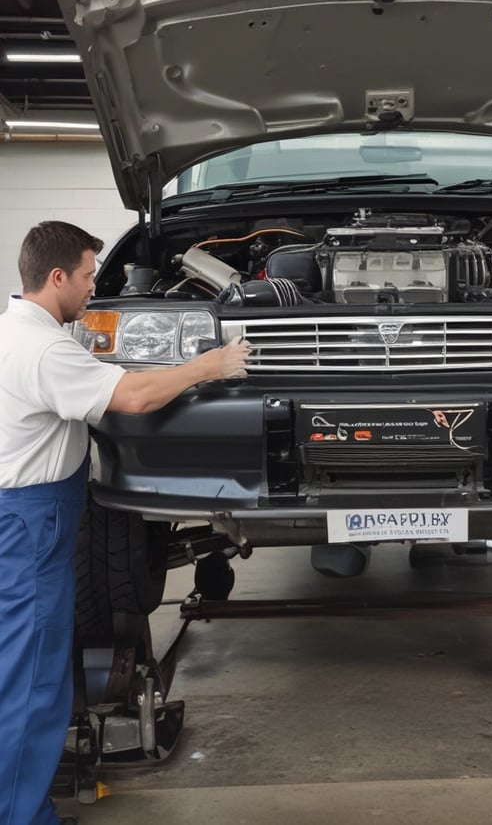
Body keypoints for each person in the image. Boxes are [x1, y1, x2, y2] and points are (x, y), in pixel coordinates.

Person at [0, 221, 250, 825]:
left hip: (27, 514)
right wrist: (209, 365)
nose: (94, 287)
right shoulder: (45, 350)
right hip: (33, 521)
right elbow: (135, 397)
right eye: (88, 276)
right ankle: (20, 815)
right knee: (31, 677)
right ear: (56, 276)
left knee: (23, 667)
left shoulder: (15, 331)